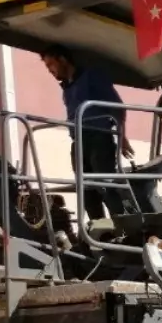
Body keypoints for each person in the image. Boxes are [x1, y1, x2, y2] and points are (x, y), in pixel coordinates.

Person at [40, 44, 134, 220]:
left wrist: (122, 136)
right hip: (78, 142)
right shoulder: (67, 89)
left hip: (99, 138)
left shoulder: (92, 76)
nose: (50, 71)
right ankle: (99, 232)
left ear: (63, 59)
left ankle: (124, 226)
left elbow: (117, 107)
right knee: (87, 193)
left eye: (51, 65)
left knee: (105, 186)